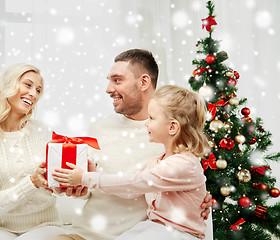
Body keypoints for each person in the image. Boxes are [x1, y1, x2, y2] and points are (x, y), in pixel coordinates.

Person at [45, 49, 212, 240]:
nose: (108, 89)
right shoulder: (100, 129)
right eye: (109, 80)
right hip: (85, 234)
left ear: (143, 82)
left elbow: (144, 183)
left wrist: (202, 201)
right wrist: (74, 184)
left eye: (117, 80)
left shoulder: (169, 140)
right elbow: (89, 187)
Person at [0, 63, 66, 240]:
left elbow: (57, 186)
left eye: (38, 90)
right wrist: (32, 183)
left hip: (46, 225)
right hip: (0, 228)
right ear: (8, 86)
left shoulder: (43, 132)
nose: (34, 94)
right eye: (28, 85)